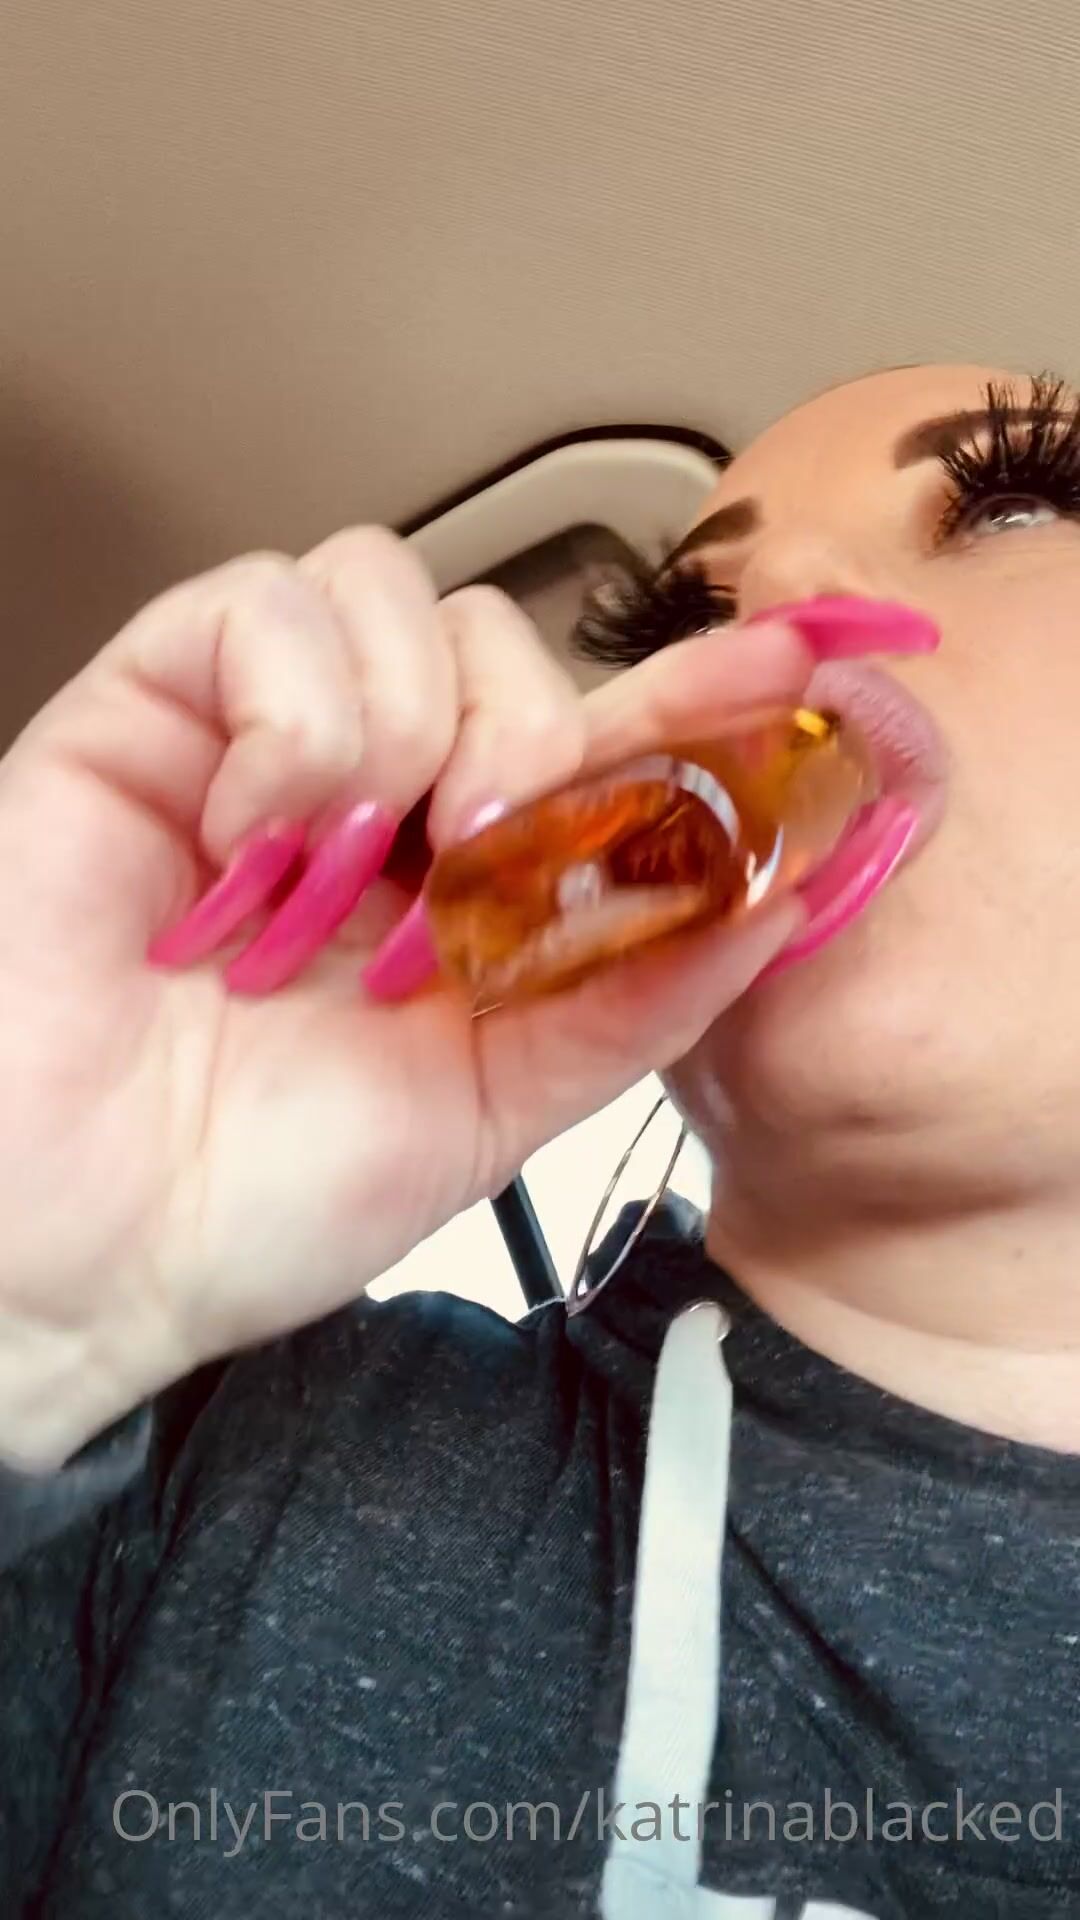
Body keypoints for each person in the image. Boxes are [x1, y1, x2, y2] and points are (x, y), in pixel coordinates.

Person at [0, 362, 1076, 1920]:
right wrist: (33, 1296)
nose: (779, 593)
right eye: (689, 619)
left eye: (1018, 499)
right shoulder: (218, 1474)